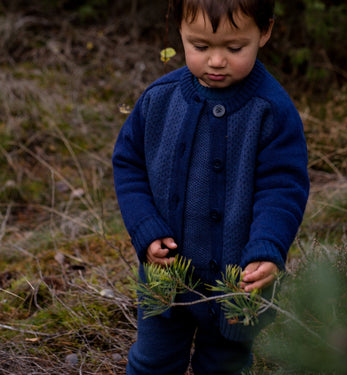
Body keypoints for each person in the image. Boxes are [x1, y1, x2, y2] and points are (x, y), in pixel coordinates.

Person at [112, 0, 309, 373]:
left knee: (225, 365)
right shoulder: (159, 99)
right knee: (153, 362)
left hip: (237, 287)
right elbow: (128, 164)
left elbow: (283, 186)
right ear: (180, 33)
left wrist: (267, 246)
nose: (216, 61)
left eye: (235, 48)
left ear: (264, 32)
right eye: (200, 46)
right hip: (165, 281)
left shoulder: (272, 110)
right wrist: (145, 228)